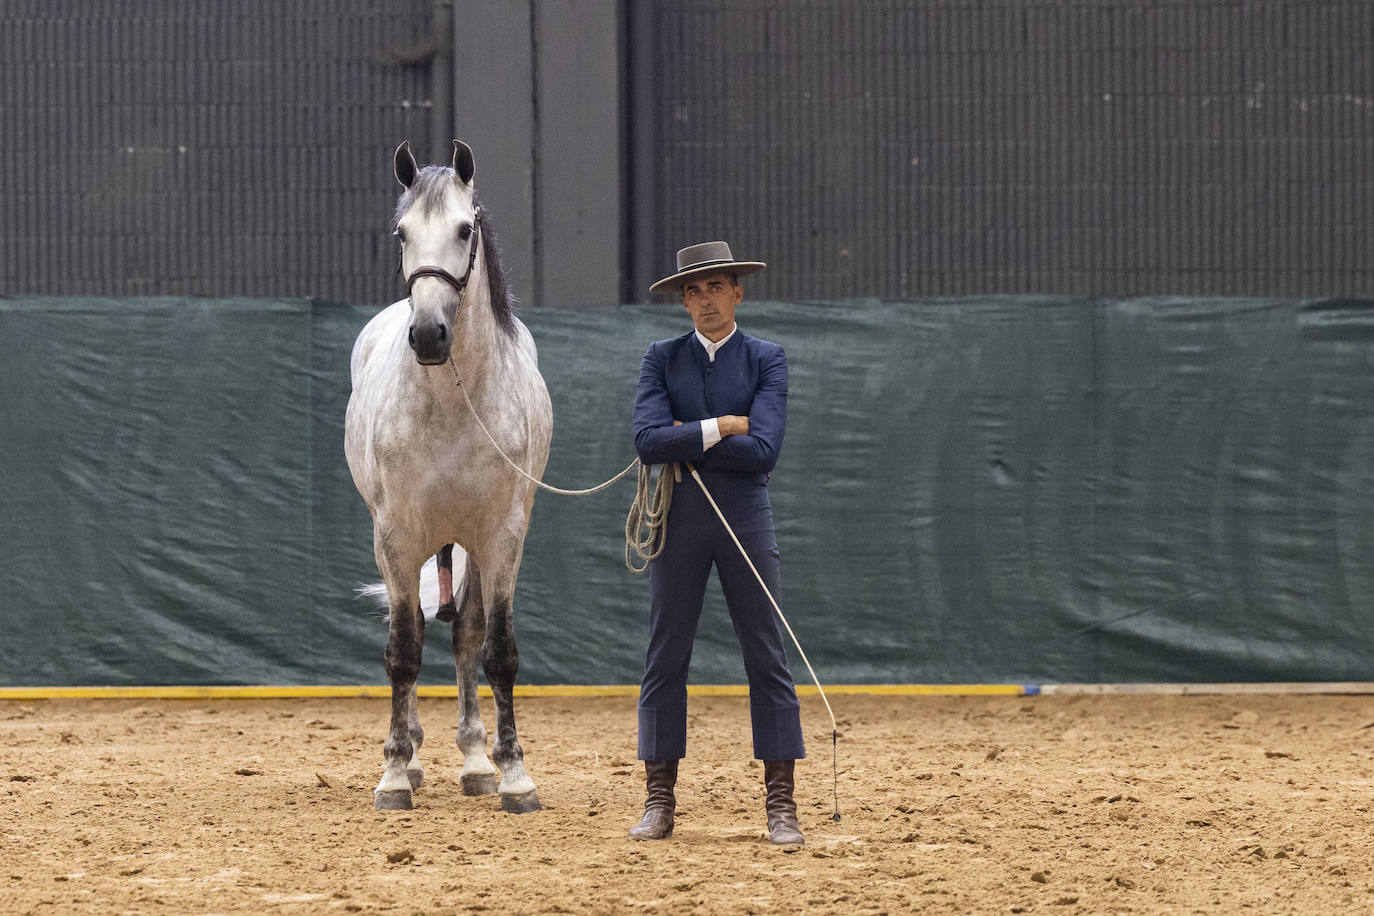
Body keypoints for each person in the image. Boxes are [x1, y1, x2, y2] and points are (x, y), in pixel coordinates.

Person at [629, 240, 805, 845]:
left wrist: (686, 434)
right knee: (665, 655)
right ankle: (659, 801)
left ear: (737, 292)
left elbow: (766, 451)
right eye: (694, 290)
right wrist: (723, 425)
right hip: (678, 517)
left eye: (716, 287)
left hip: (746, 515)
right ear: (683, 300)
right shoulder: (660, 358)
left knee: (766, 654)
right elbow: (647, 443)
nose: (705, 299)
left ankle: (781, 805)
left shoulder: (767, 359)